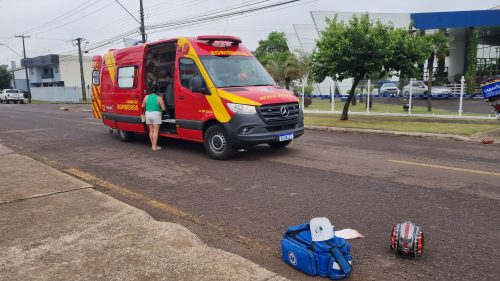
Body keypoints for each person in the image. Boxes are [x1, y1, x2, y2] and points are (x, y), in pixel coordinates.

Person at [142, 85, 166, 151]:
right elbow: (163, 108)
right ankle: (154, 146)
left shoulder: (146, 97)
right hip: (156, 114)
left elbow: (142, 105)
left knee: (151, 130)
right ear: (157, 90)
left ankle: (153, 144)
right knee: (156, 131)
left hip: (148, 114)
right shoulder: (159, 98)